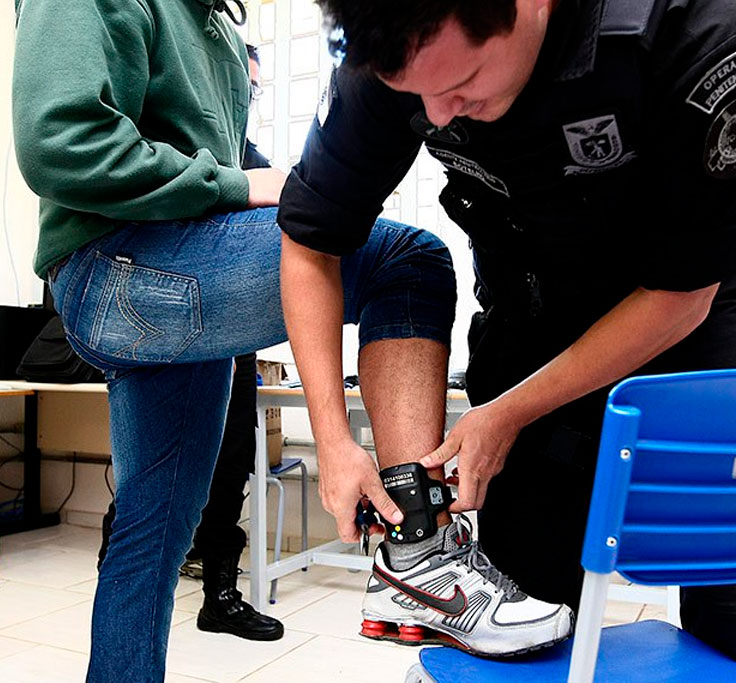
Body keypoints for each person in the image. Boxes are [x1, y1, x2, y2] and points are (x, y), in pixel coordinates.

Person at [277, 0, 736, 681]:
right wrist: (332, 437)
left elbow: (683, 294)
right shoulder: (394, 55)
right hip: (532, 305)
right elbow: (308, 241)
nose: (438, 115)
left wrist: (507, 412)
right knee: (524, 616)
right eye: (418, 95)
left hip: (693, 312)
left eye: (462, 84)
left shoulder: (696, 35)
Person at [13, 1, 460, 680]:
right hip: (120, 266)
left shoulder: (214, 20)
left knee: (155, 531)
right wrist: (235, 182)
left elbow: (223, 162)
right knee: (408, 260)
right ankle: (424, 556)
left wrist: (274, 180)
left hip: (171, 261)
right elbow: (60, 141)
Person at [95, 43, 281, 643]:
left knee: (230, 463)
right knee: (148, 483)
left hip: (232, 325)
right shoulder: (179, 120)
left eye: (254, 87)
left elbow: (277, 185)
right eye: (241, 81)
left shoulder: (240, 145)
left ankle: (220, 595)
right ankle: (121, 575)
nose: (246, 94)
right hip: (163, 299)